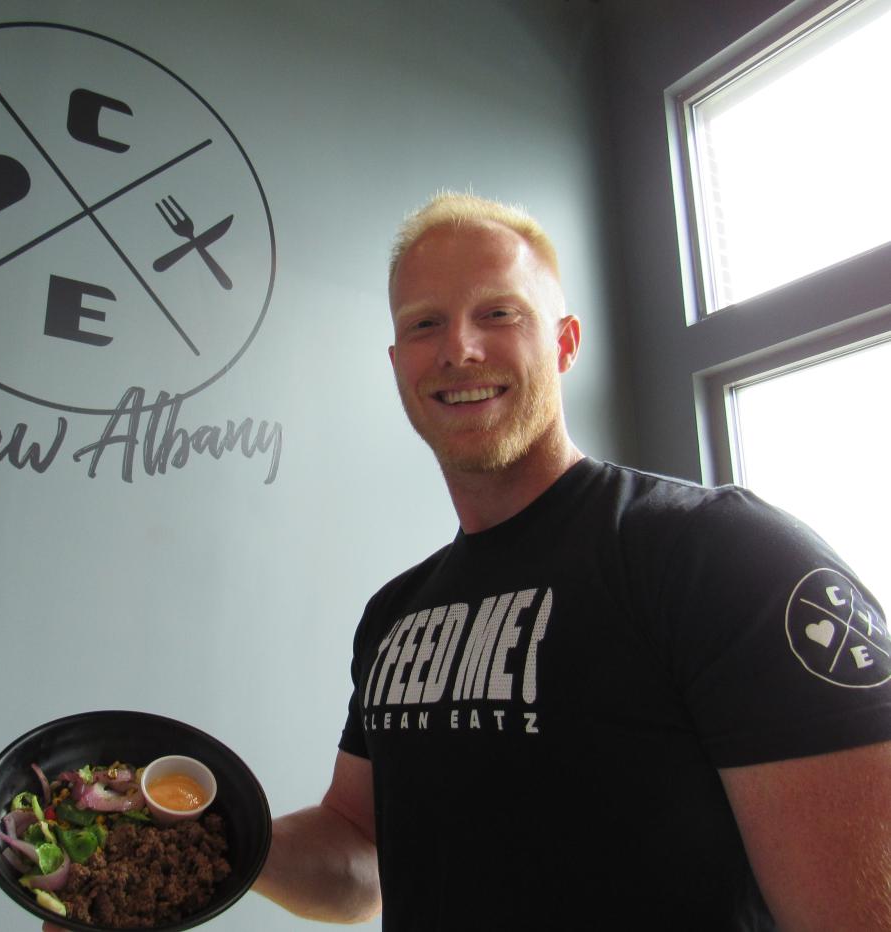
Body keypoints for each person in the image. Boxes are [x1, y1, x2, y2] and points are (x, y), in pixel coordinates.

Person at [249, 193, 891, 930]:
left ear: (564, 342)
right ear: (399, 364)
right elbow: (362, 857)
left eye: (499, 313)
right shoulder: (396, 615)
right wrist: (217, 832)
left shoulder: (722, 555)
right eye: (425, 323)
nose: (458, 348)